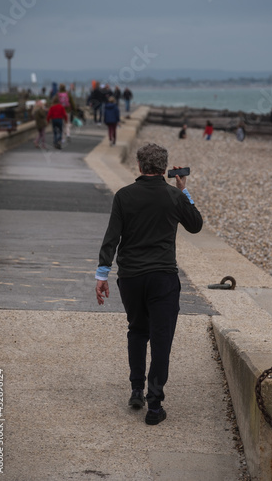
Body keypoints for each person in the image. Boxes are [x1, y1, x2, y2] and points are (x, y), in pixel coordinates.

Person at [95, 143, 203, 425]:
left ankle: (135, 390)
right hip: (162, 278)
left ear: (140, 167)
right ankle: (154, 406)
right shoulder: (173, 196)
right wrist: (183, 190)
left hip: (130, 277)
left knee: (137, 330)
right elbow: (196, 225)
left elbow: (112, 237)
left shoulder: (124, 196)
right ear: (166, 169)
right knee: (161, 340)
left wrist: (102, 274)